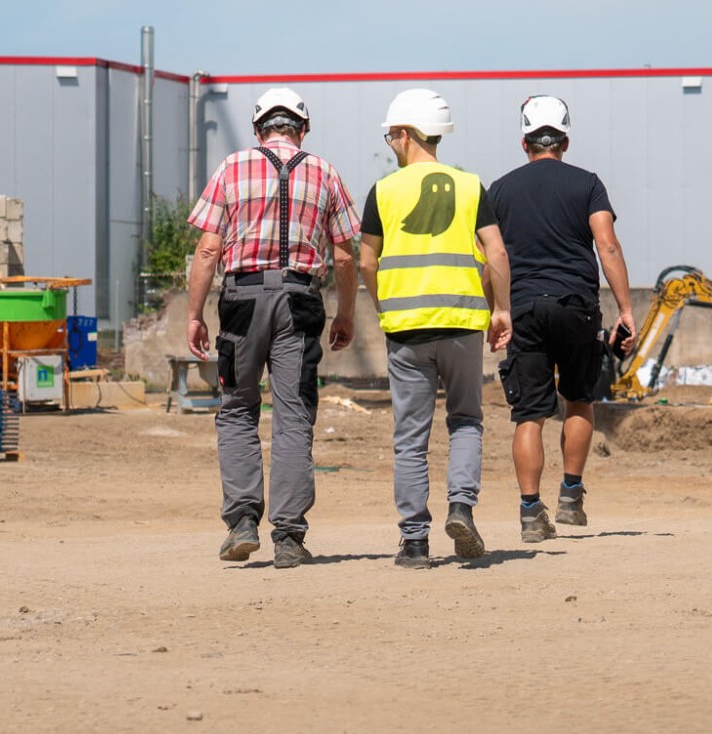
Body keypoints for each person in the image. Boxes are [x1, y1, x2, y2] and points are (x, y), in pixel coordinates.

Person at [186, 87, 358, 570]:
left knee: (238, 408)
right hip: (301, 303)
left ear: (258, 127)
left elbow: (207, 250)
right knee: (294, 414)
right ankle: (288, 536)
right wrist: (345, 313)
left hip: (242, 300)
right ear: (302, 129)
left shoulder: (231, 168)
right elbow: (344, 254)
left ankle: (242, 521)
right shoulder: (324, 172)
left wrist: (194, 313)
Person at [358, 88, 513, 568]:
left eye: (391, 136)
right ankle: (462, 507)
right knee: (466, 419)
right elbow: (497, 253)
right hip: (463, 322)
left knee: (411, 436)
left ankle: (416, 542)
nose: (390, 143)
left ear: (405, 134)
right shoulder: (470, 186)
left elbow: (366, 260)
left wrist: (386, 305)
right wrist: (501, 309)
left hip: (406, 329)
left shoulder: (383, 190)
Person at [486, 95, 635, 543]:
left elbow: (490, 257)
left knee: (529, 414)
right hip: (575, 306)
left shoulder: (500, 189)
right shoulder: (587, 184)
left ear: (524, 142)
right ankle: (571, 496)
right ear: (564, 141)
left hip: (525, 308)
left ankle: (531, 512)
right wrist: (626, 309)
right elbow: (607, 245)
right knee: (578, 398)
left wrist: (495, 311)